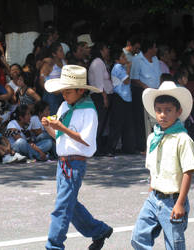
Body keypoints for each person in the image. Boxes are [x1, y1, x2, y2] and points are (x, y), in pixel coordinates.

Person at [42, 65, 113, 250]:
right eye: (62, 91)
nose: (64, 95)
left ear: (80, 90)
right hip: (62, 162)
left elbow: (86, 141)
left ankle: (54, 246)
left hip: (75, 164)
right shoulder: (65, 105)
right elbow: (59, 136)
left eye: (68, 91)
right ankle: (99, 230)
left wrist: (61, 127)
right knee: (68, 204)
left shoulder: (89, 110)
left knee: (62, 207)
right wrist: (49, 126)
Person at [131, 81, 194, 249]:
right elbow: (153, 167)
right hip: (154, 198)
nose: (162, 115)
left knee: (174, 244)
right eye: (159, 110)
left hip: (173, 200)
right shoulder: (153, 137)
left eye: (168, 110)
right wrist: (152, 189)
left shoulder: (183, 139)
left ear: (178, 112)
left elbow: (188, 172)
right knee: (139, 237)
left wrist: (180, 203)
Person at [130, 39, 161, 152]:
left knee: (156, 118)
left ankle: (156, 142)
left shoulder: (156, 59)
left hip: (156, 92)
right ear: (150, 49)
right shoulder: (137, 59)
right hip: (142, 92)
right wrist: (146, 87)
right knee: (142, 120)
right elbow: (134, 79)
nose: (157, 50)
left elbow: (158, 75)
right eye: (155, 47)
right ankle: (142, 145)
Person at [106, 49, 136, 155]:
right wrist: (128, 68)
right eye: (123, 57)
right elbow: (126, 81)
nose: (126, 59)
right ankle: (111, 148)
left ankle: (127, 147)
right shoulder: (118, 67)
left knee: (126, 124)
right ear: (117, 59)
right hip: (119, 97)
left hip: (125, 98)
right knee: (117, 124)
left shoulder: (121, 67)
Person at [88, 42, 114, 155]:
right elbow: (99, 83)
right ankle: (95, 148)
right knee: (100, 122)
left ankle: (99, 147)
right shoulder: (98, 62)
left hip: (102, 94)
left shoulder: (100, 62)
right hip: (100, 95)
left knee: (102, 122)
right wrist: (104, 97)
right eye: (106, 48)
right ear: (101, 50)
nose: (107, 51)